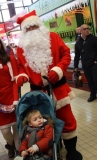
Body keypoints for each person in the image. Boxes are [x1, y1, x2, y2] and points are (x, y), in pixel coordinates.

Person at [16, 10, 82, 160]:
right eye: (28, 28)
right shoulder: (21, 48)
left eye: (34, 26)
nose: (32, 30)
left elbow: (66, 54)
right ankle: (53, 145)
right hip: (39, 94)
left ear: (39, 26)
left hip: (58, 88)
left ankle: (71, 149)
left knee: (66, 118)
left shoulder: (53, 38)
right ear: (24, 31)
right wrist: (22, 75)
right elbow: (21, 66)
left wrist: (58, 70)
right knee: (44, 121)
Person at [74, 24, 97, 104]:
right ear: (81, 31)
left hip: (94, 65)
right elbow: (77, 55)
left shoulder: (94, 39)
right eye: (84, 29)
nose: (87, 30)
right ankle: (93, 95)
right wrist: (75, 66)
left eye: (88, 28)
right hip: (85, 65)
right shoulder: (78, 42)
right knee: (90, 81)